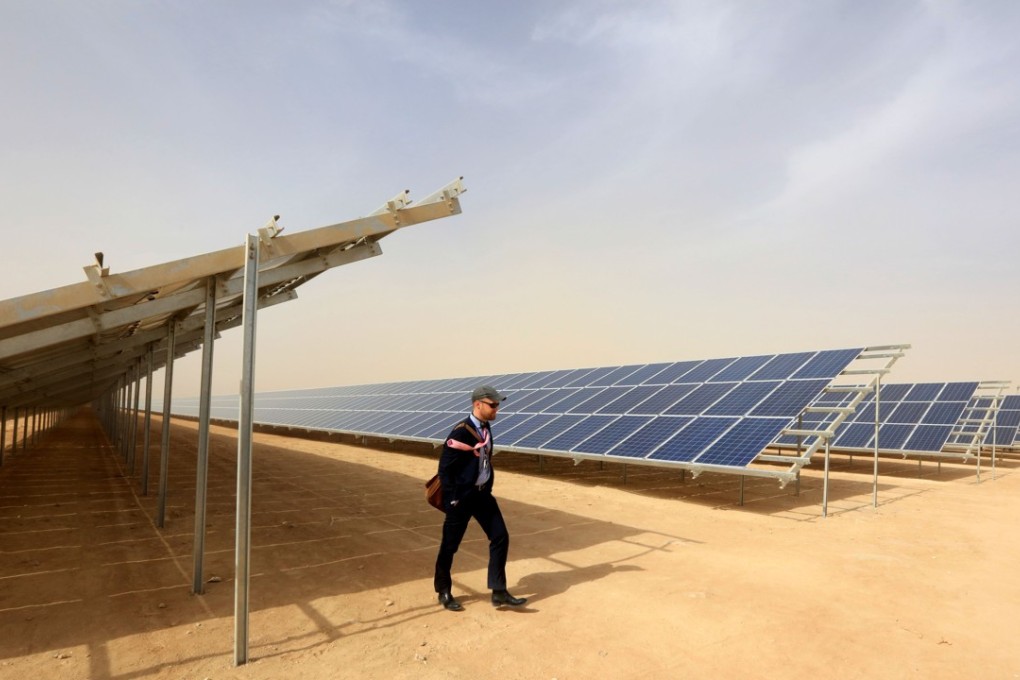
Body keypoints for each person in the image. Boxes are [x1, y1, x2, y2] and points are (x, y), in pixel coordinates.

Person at [433, 385, 527, 611]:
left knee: (500, 536)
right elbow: (445, 470)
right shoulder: (460, 432)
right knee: (450, 546)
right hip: (461, 498)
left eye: (498, 405)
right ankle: (444, 590)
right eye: (493, 405)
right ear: (478, 404)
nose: (497, 409)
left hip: (482, 494)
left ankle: (499, 591)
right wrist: (452, 500)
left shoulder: (485, 428)